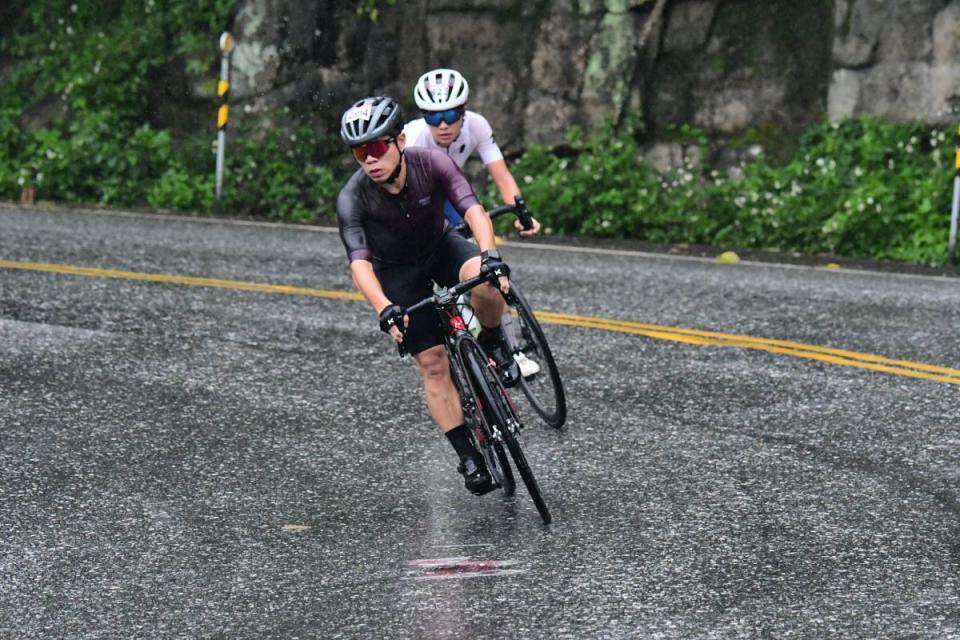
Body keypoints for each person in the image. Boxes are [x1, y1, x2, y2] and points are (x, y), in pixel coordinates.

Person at [335, 95, 520, 496]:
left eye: (377, 147)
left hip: (441, 247)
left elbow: (472, 211)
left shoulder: (431, 162)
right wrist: (385, 308)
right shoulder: (352, 198)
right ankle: (468, 455)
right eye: (359, 152)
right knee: (433, 364)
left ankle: (492, 342)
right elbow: (360, 265)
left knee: (487, 282)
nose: (369, 159)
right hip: (396, 272)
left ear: (400, 140)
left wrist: (490, 257)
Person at [404, 68, 542, 378]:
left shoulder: (477, 125)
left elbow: (502, 175)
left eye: (450, 113)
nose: (442, 124)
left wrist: (522, 213)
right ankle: (460, 308)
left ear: (463, 112)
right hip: (420, 202)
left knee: (490, 269)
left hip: (454, 193)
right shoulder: (413, 138)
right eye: (432, 115)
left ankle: (510, 348)